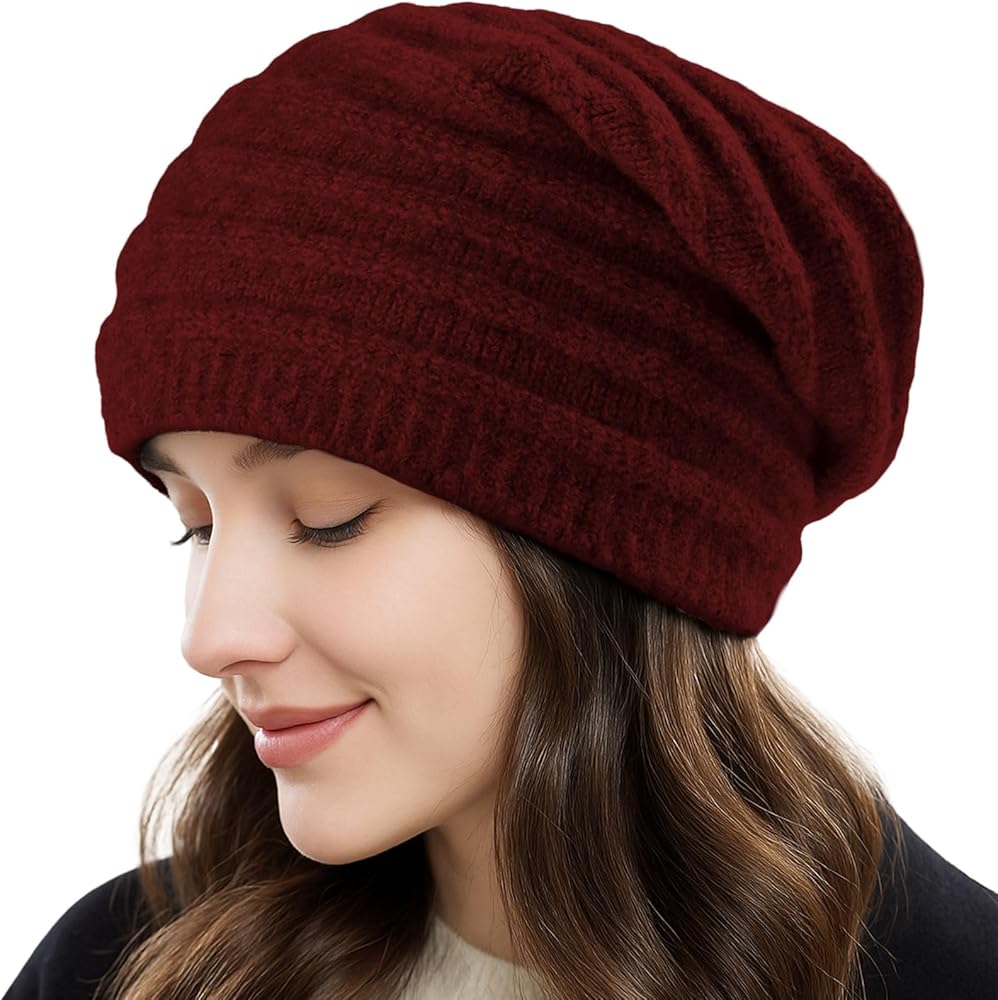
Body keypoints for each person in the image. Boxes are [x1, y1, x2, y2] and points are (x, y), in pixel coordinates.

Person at [6, 2, 997, 998]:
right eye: (195, 524)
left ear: (615, 548)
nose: (211, 636)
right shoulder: (116, 970)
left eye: (327, 517)